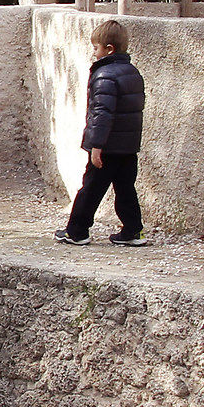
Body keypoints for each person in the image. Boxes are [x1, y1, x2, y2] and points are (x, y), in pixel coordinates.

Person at [55, 19, 146, 247]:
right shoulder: (132, 72)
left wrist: (96, 146)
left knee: (91, 188)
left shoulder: (105, 75)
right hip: (128, 146)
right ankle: (133, 231)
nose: (93, 52)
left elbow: (102, 113)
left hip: (108, 146)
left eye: (96, 47)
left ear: (109, 49)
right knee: (125, 188)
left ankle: (77, 231)